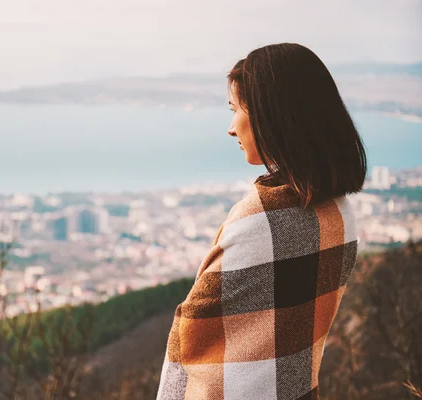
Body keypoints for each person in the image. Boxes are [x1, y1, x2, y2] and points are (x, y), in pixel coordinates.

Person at [155, 42, 367, 400]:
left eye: (236, 109)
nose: (231, 128)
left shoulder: (259, 220)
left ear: (273, 117)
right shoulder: (341, 213)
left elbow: (191, 330)